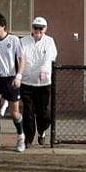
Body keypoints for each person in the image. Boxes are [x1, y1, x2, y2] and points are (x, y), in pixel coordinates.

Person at [0, 13, 24, 152]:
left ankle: (20, 136)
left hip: (10, 78)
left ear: (3, 26)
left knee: (14, 113)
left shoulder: (13, 40)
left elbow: (21, 59)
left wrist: (18, 76)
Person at [19, 17, 57, 147]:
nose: (38, 30)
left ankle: (42, 132)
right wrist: (19, 75)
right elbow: (21, 57)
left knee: (43, 113)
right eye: (36, 27)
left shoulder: (49, 41)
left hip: (43, 84)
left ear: (45, 29)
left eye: (41, 28)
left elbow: (49, 57)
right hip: (27, 82)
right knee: (28, 112)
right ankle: (28, 139)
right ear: (32, 28)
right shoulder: (24, 41)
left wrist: (44, 69)